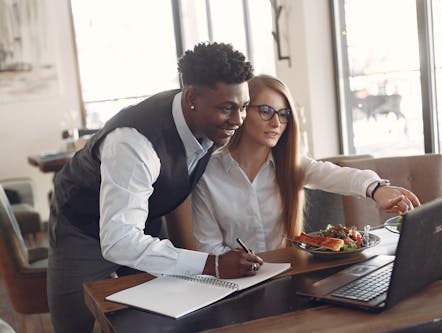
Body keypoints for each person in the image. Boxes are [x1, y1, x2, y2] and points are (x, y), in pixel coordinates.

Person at [47, 42, 263, 333]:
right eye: (227, 109)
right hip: (82, 224)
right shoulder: (134, 143)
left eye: (244, 107)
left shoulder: (210, 121)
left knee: (165, 316)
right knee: (76, 324)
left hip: (145, 219)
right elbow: (119, 241)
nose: (238, 120)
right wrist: (211, 264)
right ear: (192, 99)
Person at [191, 74, 421, 255]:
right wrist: (239, 264)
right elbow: (208, 247)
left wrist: (377, 188)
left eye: (283, 114)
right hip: (235, 287)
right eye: (265, 111)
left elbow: (337, 175)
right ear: (242, 110)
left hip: (289, 276)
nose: (276, 122)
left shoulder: (292, 166)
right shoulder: (207, 174)